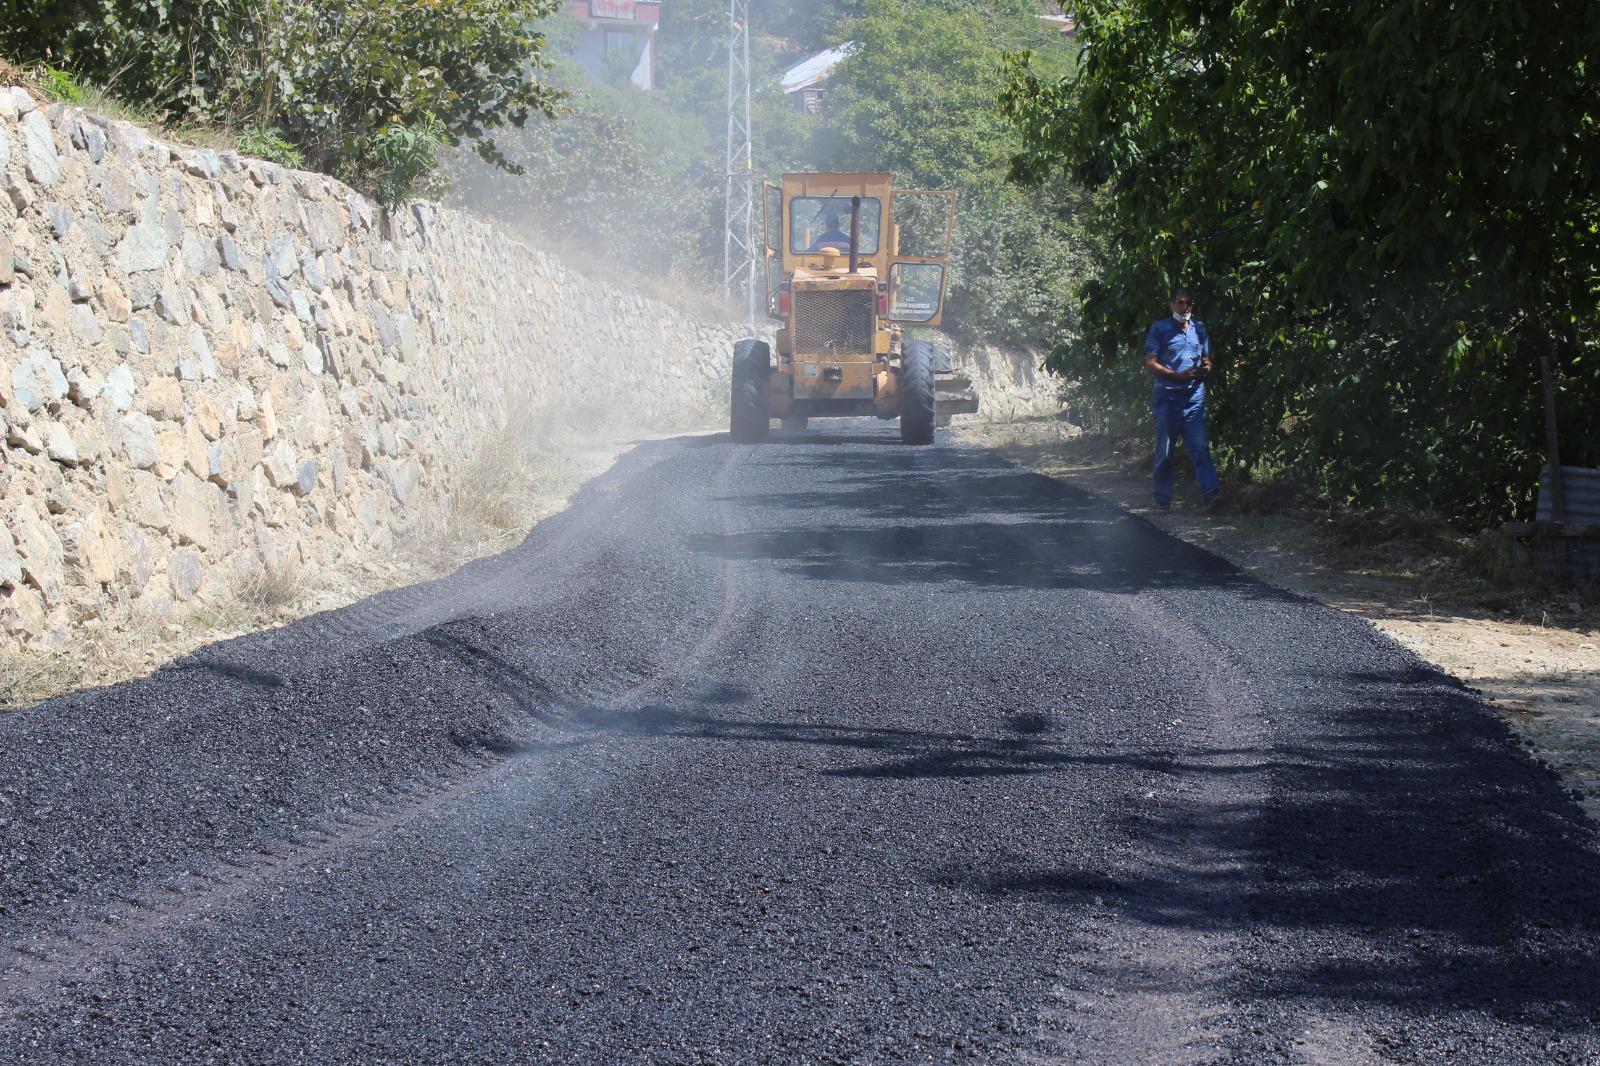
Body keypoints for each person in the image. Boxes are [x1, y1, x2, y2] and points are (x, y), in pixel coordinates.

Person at [1144, 286, 1221, 510]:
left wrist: (1207, 367)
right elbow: (1150, 363)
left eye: (1188, 303)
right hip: (1168, 398)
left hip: (1194, 397)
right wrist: (1175, 375)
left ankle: (1211, 494)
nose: (1185, 307)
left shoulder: (1200, 328)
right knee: (1166, 450)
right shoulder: (1160, 328)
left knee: (1199, 446)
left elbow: (1207, 358)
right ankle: (1162, 499)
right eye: (1180, 302)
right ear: (1172, 305)